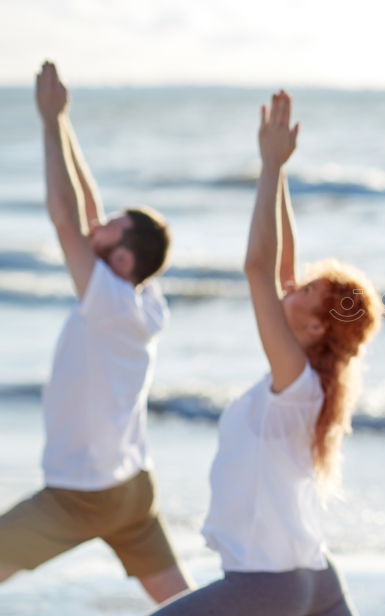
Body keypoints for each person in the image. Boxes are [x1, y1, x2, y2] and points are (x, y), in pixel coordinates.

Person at [152, 90, 380, 616]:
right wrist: (274, 171)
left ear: (317, 325)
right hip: (315, 579)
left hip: (267, 586)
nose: (290, 288)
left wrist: (271, 166)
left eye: (303, 292)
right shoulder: (308, 381)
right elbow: (278, 267)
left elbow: (258, 267)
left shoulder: (295, 381)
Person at [0, 61, 189, 604]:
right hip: (131, 488)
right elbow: (85, 208)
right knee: (179, 603)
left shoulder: (107, 303)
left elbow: (64, 216)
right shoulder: (142, 299)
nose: (95, 227)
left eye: (111, 229)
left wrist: (45, 123)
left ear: (124, 258)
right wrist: (64, 121)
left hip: (83, 494)